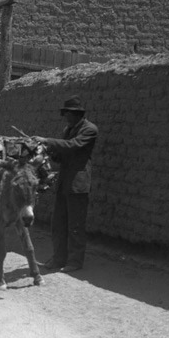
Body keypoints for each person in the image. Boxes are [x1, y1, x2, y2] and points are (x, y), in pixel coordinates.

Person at [37, 96, 98, 273]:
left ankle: (75, 261)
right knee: (59, 223)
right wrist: (49, 152)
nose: (66, 117)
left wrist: (47, 141)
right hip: (64, 183)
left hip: (78, 185)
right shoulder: (69, 128)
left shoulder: (90, 130)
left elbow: (73, 146)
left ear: (77, 113)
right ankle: (58, 258)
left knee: (75, 225)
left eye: (68, 114)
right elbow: (63, 153)